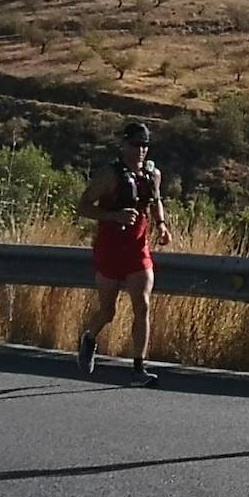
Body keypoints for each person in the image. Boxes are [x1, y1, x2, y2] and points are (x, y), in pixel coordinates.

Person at [75, 121, 172, 385]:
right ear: (124, 145)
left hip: (138, 249)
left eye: (145, 145)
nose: (141, 151)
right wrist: (113, 215)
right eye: (136, 145)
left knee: (142, 305)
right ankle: (89, 338)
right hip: (109, 248)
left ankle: (138, 368)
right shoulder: (109, 175)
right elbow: (83, 206)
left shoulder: (153, 175)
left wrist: (161, 225)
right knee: (108, 311)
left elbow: (156, 201)